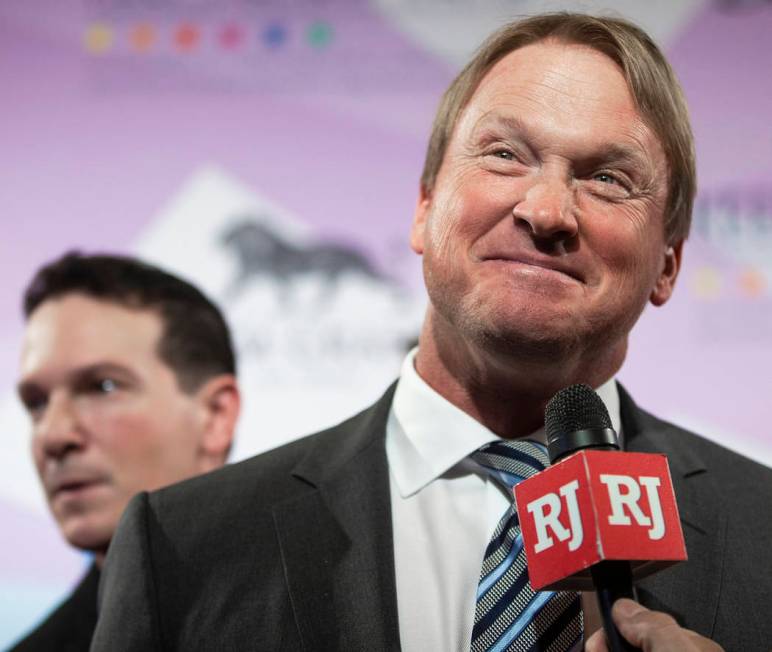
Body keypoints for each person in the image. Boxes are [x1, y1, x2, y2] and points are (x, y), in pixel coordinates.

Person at [91, 13, 772, 652]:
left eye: (607, 178)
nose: (546, 210)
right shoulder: (183, 546)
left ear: (669, 264)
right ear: (423, 209)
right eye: (505, 154)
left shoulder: (763, 532)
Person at [10, 252, 241, 651]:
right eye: (37, 403)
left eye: (103, 387)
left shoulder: (349, 606)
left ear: (215, 416)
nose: (53, 435)